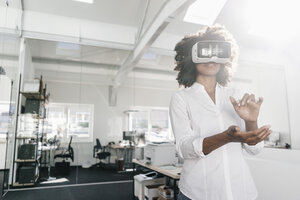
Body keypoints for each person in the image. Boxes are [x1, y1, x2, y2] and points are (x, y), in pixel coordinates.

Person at [169, 24, 272, 200]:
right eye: (205, 52)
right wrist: (226, 137)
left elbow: (254, 150)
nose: (212, 58)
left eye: (218, 52)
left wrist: (251, 122)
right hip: (198, 192)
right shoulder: (181, 98)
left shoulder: (235, 95)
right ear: (191, 58)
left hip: (240, 191)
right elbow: (184, 149)